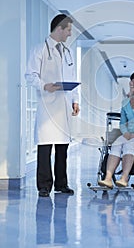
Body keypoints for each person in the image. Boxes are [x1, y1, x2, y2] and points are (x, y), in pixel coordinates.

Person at [25, 14, 80, 197]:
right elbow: (30, 75)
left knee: (62, 147)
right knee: (45, 145)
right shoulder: (40, 49)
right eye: (69, 30)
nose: (70, 34)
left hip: (64, 105)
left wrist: (75, 100)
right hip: (47, 105)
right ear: (59, 29)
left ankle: (61, 184)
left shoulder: (68, 52)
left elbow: (72, 78)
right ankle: (44, 186)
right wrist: (44, 85)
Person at [98, 71, 134, 189]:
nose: (132, 82)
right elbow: (122, 123)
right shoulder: (126, 102)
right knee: (116, 144)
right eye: (131, 80)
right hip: (127, 134)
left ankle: (124, 178)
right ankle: (108, 178)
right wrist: (126, 133)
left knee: (129, 146)